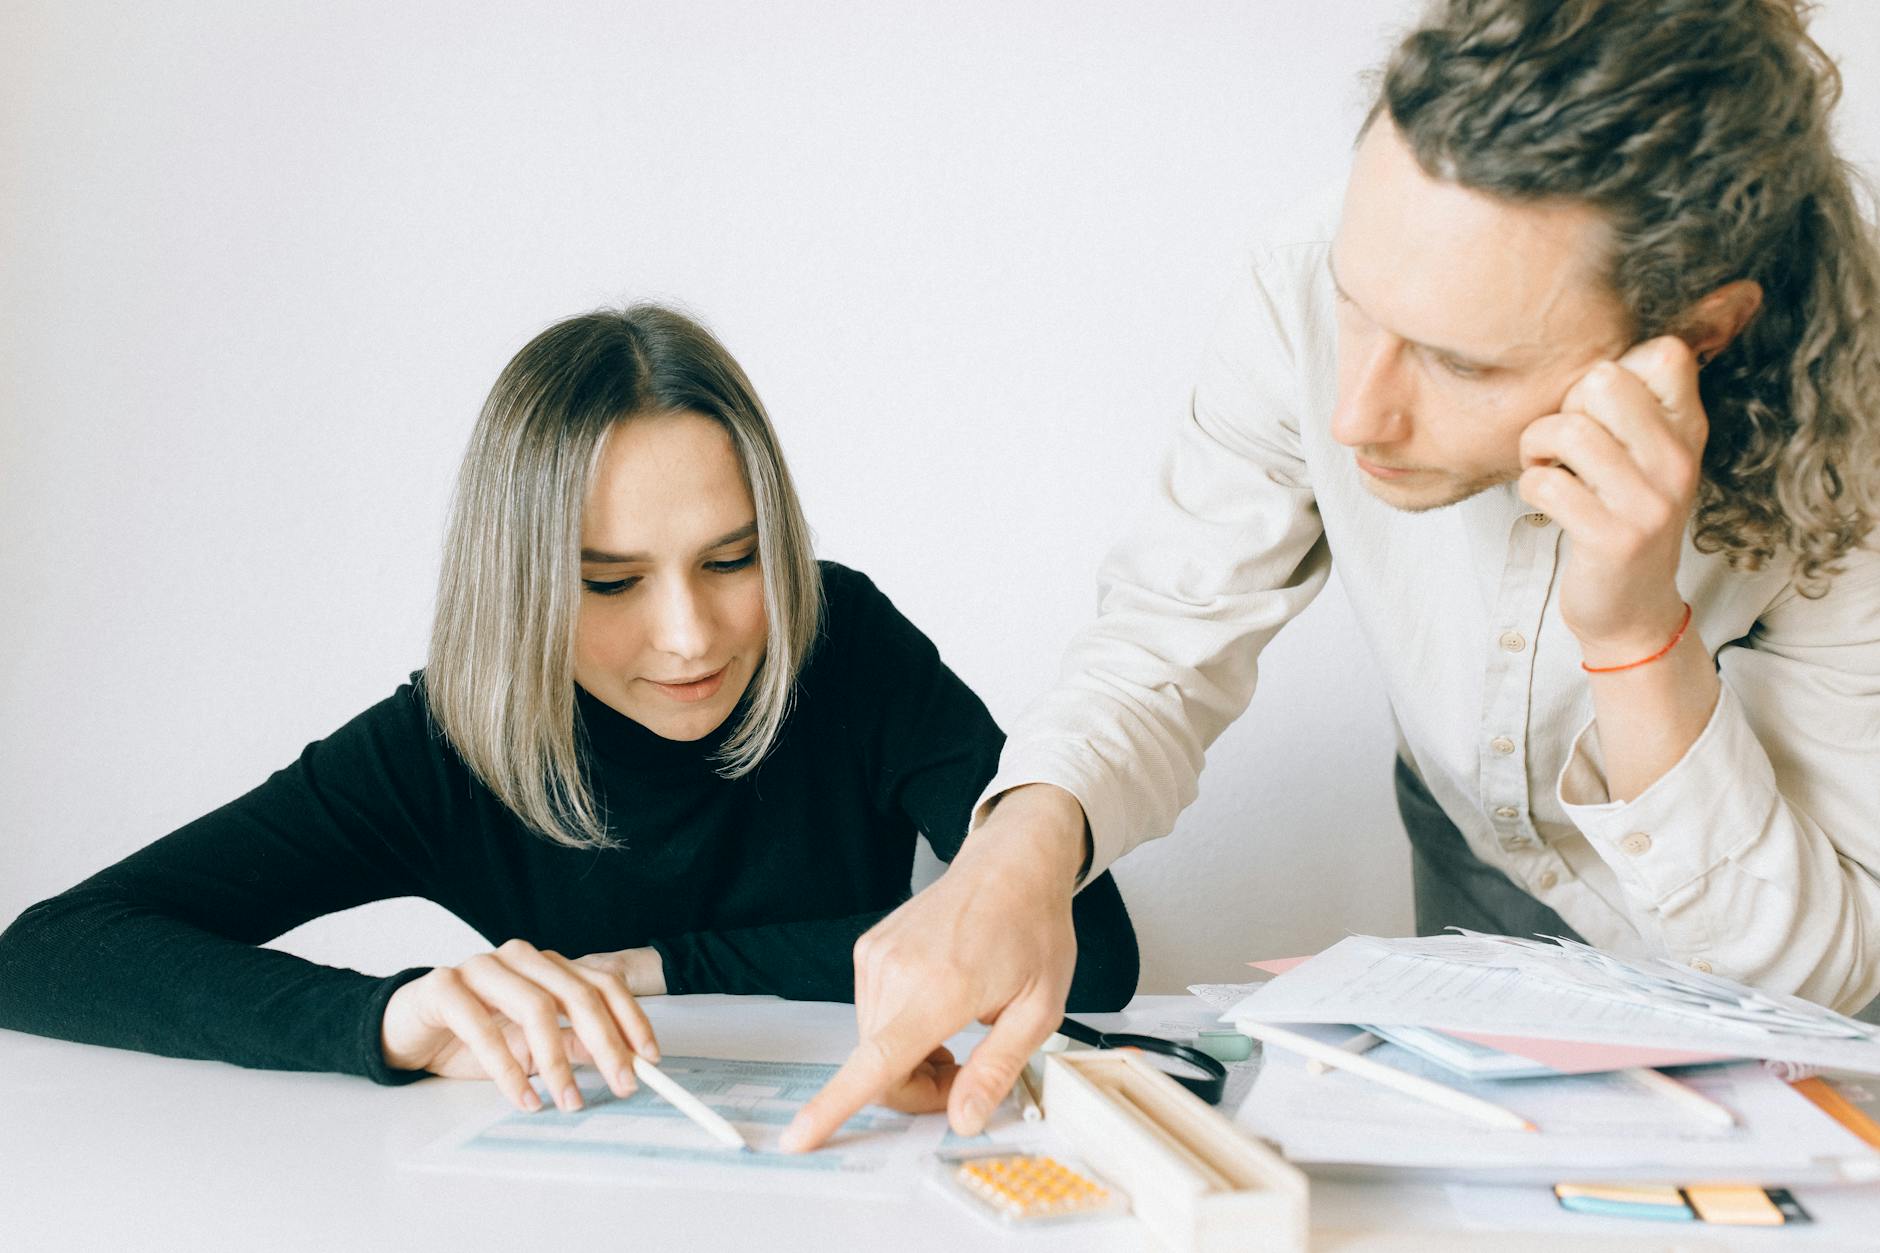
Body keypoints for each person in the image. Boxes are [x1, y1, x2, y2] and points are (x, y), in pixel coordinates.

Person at [781, 0, 1880, 1151]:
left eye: (1460, 362)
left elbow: (1809, 973)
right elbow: (1167, 634)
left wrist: (1632, 635)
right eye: (1354, 307)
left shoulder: (1854, 441)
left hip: (1782, 972)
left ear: (1696, 335)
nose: (1355, 413)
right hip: (1481, 889)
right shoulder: (1306, 272)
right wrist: (1014, 856)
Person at [0, 305, 1138, 1116]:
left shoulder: (842, 640)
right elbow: (44, 955)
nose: (690, 635)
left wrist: (652, 966)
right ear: (522, 584)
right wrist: (391, 1019)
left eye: (733, 559)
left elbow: (1094, 956)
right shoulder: (443, 742)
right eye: (609, 582)